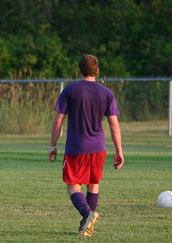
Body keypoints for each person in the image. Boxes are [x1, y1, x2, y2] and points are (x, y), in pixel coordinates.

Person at [48, 54, 124, 237]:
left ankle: (87, 214)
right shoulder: (106, 93)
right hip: (99, 147)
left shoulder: (70, 91)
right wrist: (119, 151)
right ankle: (87, 225)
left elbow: (58, 121)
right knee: (93, 184)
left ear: (79, 70)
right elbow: (114, 125)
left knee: (73, 185)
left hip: (76, 148)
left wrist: (52, 145)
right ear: (97, 70)